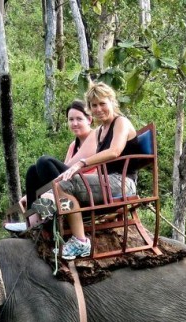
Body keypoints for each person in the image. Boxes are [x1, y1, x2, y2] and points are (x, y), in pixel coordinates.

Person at [54, 82, 143, 260]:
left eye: (103, 103)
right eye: (94, 105)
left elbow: (114, 151)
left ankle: (80, 241)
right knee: (58, 185)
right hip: (107, 180)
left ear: (112, 102)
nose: (99, 109)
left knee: (63, 187)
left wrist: (81, 164)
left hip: (123, 183)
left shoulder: (121, 122)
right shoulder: (101, 130)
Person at [5, 100, 98, 232]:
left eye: (79, 119)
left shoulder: (94, 136)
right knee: (32, 170)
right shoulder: (73, 145)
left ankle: (54, 203)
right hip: (73, 182)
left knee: (44, 162)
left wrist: (43, 189)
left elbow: (70, 167)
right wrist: (34, 192)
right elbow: (64, 171)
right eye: (71, 119)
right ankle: (31, 221)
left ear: (89, 119)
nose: (74, 123)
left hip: (87, 186)